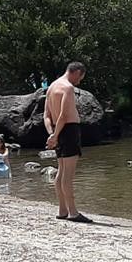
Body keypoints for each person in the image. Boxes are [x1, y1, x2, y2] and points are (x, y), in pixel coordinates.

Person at [44, 61, 92, 223]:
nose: (79, 82)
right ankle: (73, 212)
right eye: (80, 77)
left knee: (61, 170)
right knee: (68, 174)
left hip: (58, 130)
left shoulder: (51, 87)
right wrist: (56, 136)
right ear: (76, 72)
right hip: (69, 130)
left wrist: (52, 134)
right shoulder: (68, 88)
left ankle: (62, 209)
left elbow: (46, 116)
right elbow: (64, 115)